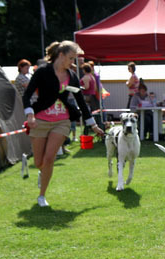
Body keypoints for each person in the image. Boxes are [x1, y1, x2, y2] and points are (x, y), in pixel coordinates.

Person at [23, 41, 104, 207]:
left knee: (50, 158)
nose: (73, 63)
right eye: (71, 58)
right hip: (39, 121)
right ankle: (43, 171)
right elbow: (27, 95)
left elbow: (81, 101)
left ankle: (42, 196)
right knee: (39, 162)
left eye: (74, 59)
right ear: (60, 55)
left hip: (62, 121)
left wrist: (93, 125)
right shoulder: (43, 72)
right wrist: (30, 115)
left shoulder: (72, 76)